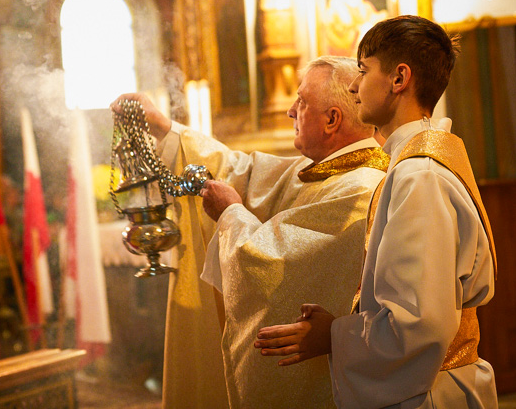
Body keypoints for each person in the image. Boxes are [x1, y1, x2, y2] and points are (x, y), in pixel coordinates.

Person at [113, 56, 389, 408]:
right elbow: (237, 171)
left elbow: (275, 264)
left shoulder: (360, 188)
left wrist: (229, 213)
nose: (291, 111)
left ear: (332, 119)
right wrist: (166, 129)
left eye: (301, 101)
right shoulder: (323, 169)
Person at [255, 15, 498, 408]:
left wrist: (332, 335)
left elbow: (421, 325)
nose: (353, 85)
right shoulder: (418, 161)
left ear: (398, 79)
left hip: (429, 393)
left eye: (363, 70)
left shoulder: (419, 176)